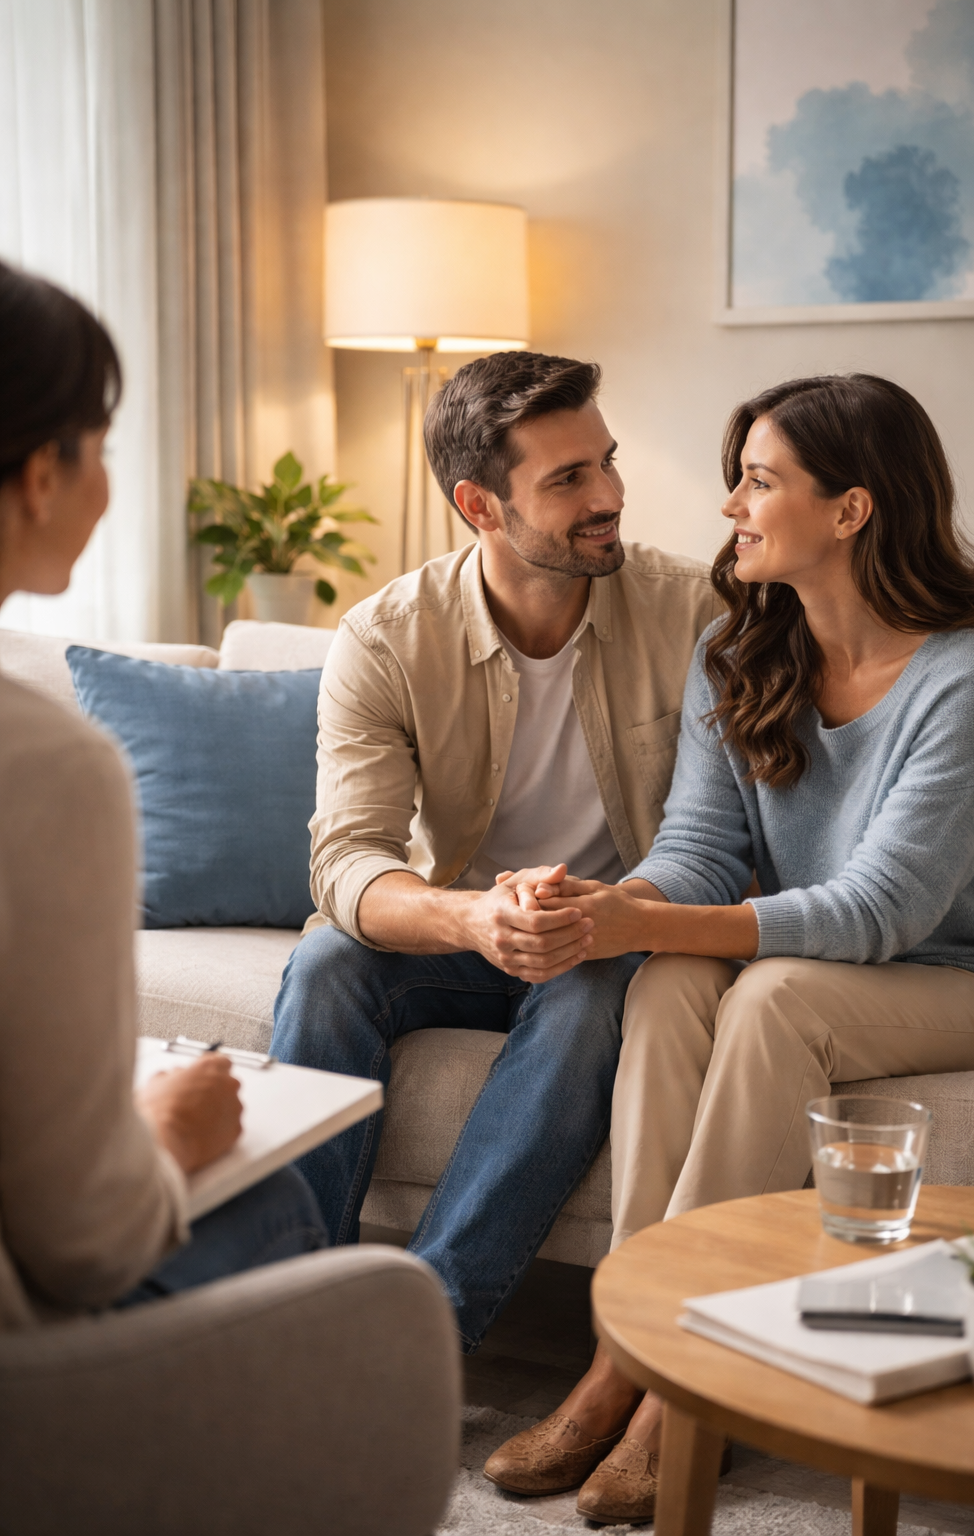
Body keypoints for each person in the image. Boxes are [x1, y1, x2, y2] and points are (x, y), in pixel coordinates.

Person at [485, 372, 974, 1524]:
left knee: (773, 997)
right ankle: (624, 1349)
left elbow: (883, 909)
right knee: (676, 973)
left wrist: (646, 918)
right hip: (828, 965)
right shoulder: (739, 651)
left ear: (851, 511)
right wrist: (603, 905)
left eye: (759, 481)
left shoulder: (971, 676)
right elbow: (691, 853)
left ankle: (675, 1392)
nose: (730, 503)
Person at [270, 350, 719, 1352]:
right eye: (568, 479)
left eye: (605, 461)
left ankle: (411, 1343)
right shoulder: (385, 638)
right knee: (327, 963)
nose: (607, 496)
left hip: (618, 928)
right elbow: (346, 861)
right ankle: (279, 1319)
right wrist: (474, 919)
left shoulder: (697, 614)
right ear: (479, 505)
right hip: (461, 929)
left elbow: (721, 837)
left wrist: (600, 917)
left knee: (589, 989)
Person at [0, 261, 327, 1331]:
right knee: (279, 1208)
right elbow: (86, 1238)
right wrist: (169, 1132)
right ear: (42, 474)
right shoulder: (46, 765)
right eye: (101, 445)